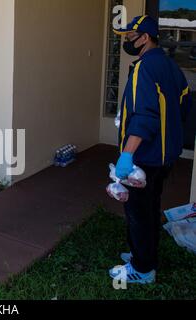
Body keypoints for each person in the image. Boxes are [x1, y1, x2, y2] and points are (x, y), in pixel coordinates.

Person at [110, 16, 192, 284]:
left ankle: (142, 269)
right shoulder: (170, 66)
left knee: (138, 212)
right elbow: (184, 108)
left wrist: (127, 155)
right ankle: (142, 254)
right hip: (165, 156)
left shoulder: (144, 68)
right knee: (151, 206)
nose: (127, 42)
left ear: (145, 37)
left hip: (144, 158)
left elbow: (144, 116)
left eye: (130, 37)